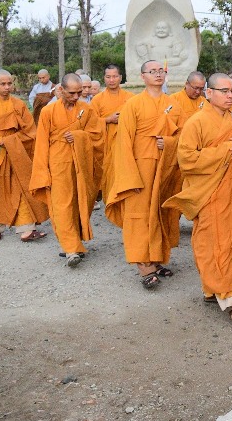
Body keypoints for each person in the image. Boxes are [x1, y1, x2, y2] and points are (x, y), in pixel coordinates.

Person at [165, 73, 232, 322]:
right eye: (224, 91)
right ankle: (223, 292)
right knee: (210, 242)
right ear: (209, 93)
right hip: (209, 191)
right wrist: (225, 150)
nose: (230, 96)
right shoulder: (196, 122)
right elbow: (186, 159)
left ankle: (226, 293)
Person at [106, 60, 186, 290]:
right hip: (139, 168)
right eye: (153, 71)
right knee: (139, 215)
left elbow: (183, 137)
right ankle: (143, 264)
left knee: (161, 212)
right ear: (143, 77)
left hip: (165, 167)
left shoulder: (173, 104)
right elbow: (123, 142)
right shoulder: (134, 104)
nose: (158, 75)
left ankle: (157, 258)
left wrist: (169, 143)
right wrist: (130, 176)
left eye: (161, 71)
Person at [30, 74, 104, 267]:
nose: (76, 96)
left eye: (80, 92)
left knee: (80, 201)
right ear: (61, 90)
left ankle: (75, 240)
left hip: (81, 163)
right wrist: (41, 171)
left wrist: (79, 137)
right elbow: (41, 143)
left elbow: (98, 136)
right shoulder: (48, 111)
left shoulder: (86, 109)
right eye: (72, 93)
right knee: (61, 204)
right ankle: (70, 249)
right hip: (57, 162)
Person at [0, 69, 47, 242]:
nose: (6, 87)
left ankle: (26, 228)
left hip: (15, 152)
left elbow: (30, 131)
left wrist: (12, 141)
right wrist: (0, 142)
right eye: (2, 84)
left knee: (20, 189)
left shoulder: (18, 104)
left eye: (9, 83)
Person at [90, 64, 134, 202]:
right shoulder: (97, 99)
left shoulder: (131, 98)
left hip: (125, 143)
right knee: (109, 174)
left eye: (115, 76)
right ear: (104, 78)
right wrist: (108, 120)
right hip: (106, 145)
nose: (112, 80)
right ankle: (110, 202)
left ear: (120, 78)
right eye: (108, 77)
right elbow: (91, 123)